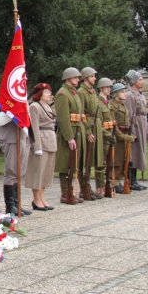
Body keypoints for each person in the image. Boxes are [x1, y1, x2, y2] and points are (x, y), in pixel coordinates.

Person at [54, 67, 85, 205]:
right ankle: (66, 194)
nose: (78, 79)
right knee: (66, 163)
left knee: (74, 164)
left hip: (77, 130)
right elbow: (63, 118)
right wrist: (69, 137)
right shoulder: (62, 94)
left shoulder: (73, 93)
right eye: (76, 77)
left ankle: (72, 192)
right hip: (69, 132)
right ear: (68, 79)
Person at [0, 104, 31, 216]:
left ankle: (17, 203)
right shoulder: (4, 98)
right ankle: (10, 206)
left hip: (22, 136)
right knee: (12, 171)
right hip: (10, 137)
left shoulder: (21, 96)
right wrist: (13, 113)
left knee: (19, 172)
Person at [25, 83, 57, 210]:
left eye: (49, 92)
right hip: (41, 141)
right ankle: (36, 199)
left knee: (46, 172)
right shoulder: (34, 106)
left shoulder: (47, 106)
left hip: (50, 140)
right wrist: (37, 145)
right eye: (46, 92)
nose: (49, 94)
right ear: (39, 94)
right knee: (38, 171)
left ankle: (42, 197)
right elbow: (34, 127)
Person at [77, 67, 103, 200]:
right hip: (87, 125)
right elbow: (81, 113)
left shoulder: (92, 91)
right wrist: (87, 131)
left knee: (91, 158)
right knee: (85, 159)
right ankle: (84, 188)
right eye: (92, 76)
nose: (95, 78)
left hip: (95, 125)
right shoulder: (81, 92)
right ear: (86, 78)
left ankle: (88, 187)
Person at [124, 70, 148, 191]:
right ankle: (130, 180)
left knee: (140, 153)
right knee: (133, 153)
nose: (142, 81)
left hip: (142, 124)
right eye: (139, 79)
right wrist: (132, 131)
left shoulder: (140, 94)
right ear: (134, 81)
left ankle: (135, 180)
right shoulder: (129, 95)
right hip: (135, 126)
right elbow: (129, 115)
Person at [109, 83, 135, 193]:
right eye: (122, 92)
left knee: (123, 159)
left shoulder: (122, 105)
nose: (125, 94)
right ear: (116, 94)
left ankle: (118, 181)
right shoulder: (112, 106)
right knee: (115, 160)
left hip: (124, 136)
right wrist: (123, 136)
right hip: (116, 136)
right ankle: (113, 182)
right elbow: (113, 124)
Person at [96, 77, 115, 197]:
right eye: (107, 87)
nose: (109, 89)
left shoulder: (107, 102)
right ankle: (100, 187)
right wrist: (108, 135)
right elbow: (99, 122)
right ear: (101, 88)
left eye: (110, 87)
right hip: (103, 136)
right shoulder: (98, 102)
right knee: (101, 163)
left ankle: (107, 186)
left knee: (109, 163)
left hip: (109, 135)